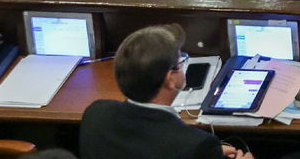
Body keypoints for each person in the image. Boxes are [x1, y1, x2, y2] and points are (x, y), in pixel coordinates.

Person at [80, 25, 258, 159]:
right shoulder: (195, 145)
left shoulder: (95, 114)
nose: (183, 65)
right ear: (169, 79)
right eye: (181, 61)